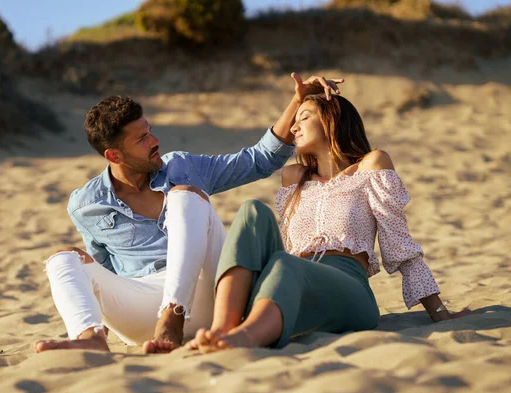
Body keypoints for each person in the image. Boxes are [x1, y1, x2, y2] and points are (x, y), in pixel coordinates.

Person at [34, 74, 344, 354]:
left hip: (209, 293)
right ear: (114, 155)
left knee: (184, 195)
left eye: (150, 132)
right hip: (142, 312)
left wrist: (297, 100)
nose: (155, 142)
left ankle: (173, 315)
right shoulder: (85, 204)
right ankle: (90, 337)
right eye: (141, 140)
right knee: (64, 258)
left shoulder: (182, 166)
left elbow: (259, 160)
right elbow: (102, 268)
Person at [188, 90, 472, 353]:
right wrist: (298, 97)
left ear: (331, 120)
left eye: (305, 117)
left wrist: (438, 312)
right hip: (293, 281)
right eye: (294, 121)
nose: (294, 127)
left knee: (287, 263)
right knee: (252, 210)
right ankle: (221, 330)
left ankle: (243, 339)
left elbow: (398, 243)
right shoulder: (293, 177)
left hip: (350, 289)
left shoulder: (371, 165)